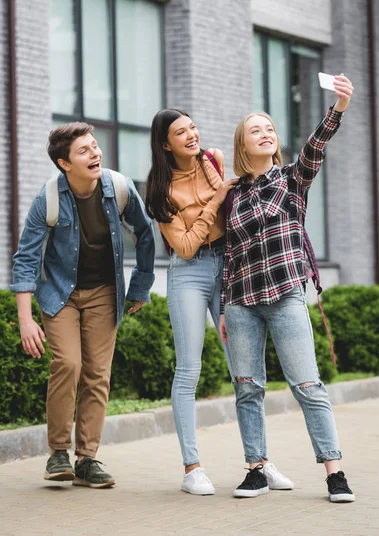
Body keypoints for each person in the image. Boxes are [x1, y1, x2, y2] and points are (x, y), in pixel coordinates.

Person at [219, 74, 356, 503]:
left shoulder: (292, 180)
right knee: (247, 388)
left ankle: (335, 472)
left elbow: (315, 148)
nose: (265, 133)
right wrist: (224, 307)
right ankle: (256, 469)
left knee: (307, 385)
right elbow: (231, 255)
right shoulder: (233, 195)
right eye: (255, 129)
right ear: (243, 144)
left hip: (284, 297)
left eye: (269, 129)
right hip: (241, 302)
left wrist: (337, 108)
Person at [145, 108, 294, 495]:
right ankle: (192, 467)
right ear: (166, 144)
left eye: (192, 127)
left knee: (244, 370)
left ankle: (259, 460)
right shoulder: (160, 190)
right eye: (181, 133)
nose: (191, 135)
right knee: (189, 369)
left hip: (229, 265)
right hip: (189, 274)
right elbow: (186, 244)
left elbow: (234, 210)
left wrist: (218, 190)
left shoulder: (214, 159)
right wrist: (215, 201)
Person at [11, 122, 155, 488]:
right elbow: (25, 259)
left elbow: (145, 235)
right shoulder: (48, 198)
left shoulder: (119, 188)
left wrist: (140, 286)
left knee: (97, 373)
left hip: (105, 291)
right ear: (64, 163)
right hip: (60, 293)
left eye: (95, 146)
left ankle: (87, 458)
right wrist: (26, 320)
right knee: (68, 363)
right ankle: (58, 451)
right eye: (83, 151)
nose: (95, 154)